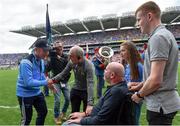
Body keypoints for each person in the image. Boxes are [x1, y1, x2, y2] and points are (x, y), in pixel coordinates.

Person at [129, 1, 180, 125]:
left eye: (139, 19)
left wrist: (139, 95)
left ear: (149, 16)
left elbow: (156, 80)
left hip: (160, 104)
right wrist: (139, 86)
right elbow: (153, 75)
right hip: (164, 103)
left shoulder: (158, 37)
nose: (137, 24)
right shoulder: (162, 34)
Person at [66, 62, 130, 125]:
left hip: (96, 122)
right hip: (93, 117)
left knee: (67, 124)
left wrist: (82, 120)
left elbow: (100, 120)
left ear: (112, 75)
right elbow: (101, 110)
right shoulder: (117, 87)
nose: (104, 71)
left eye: (106, 70)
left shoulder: (116, 92)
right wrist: (84, 114)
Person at [49, 45, 94, 115]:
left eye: (71, 56)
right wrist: (52, 80)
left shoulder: (88, 65)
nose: (69, 58)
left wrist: (90, 103)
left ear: (79, 57)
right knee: (74, 113)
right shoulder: (71, 62)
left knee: (87, 114)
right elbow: (63, 73)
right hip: (76, 89)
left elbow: (90, 83)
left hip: (86, 91)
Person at [16, 39, 53, 125]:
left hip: (37, 92)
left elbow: (41, 75)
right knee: (26, 119)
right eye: (44, 50)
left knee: (43, 112)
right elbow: (28, 82)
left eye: (47, 50)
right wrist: (46, 82)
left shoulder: (41, 61)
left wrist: (49, 84)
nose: (47, 53)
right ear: (36, 50)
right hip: (25, 94)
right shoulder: (26, 62)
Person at [45, 41, 71, 124]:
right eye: (56, 47)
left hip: (64, 81)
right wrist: (48, 80)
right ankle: (56, 116)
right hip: (55, 82)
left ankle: (63, 113)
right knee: (58, 100)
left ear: (63, 47)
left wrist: (59, 58)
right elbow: (45, 70)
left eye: (60, 47)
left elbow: (68, 64)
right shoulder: (52, 59)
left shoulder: (66, 56)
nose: (59, 48)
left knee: (68, 98)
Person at [120, 41, 143, 125]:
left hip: (135, 98)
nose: (121, 53)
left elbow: (147, 82)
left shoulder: (138, 66)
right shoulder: (127, 65)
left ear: (130, 51)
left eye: (123, 50)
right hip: (127, 98)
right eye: (120, 51)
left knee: (134, 122)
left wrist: (132, 84)